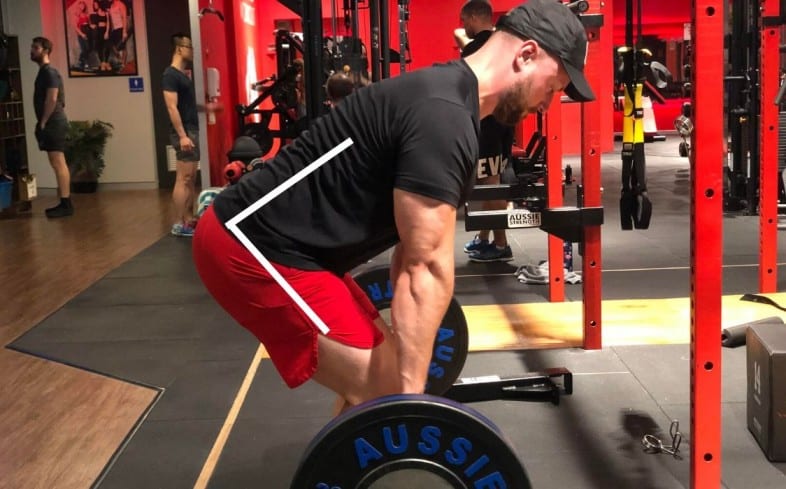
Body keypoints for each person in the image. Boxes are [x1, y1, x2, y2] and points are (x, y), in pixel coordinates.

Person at [192, 0, 593, 414]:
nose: (549, 103)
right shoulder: (444, 115)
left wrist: (408, 385)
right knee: (388, 393)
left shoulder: (450, 100)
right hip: (251, 245)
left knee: (383, 379)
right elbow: (425, 268)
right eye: (555, 85)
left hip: (295, 251)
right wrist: (412, 404)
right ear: (527, 55)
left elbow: (410, 256)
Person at [455, 0, 517, 263]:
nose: (463, 26)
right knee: (490, 181)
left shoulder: (474, 48)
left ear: (472, 17)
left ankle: (501, 245)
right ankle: (483, 238)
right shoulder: (504, 45)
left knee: (491, 184)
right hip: (503, 124)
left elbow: (469, 89)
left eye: (464, 20)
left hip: (488, 125)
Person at [31, 37, 73, 218]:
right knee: (56, 162)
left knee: (58, 162)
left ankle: (66, 203)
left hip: (53, 123)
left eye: (35, 47)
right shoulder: (44, 72)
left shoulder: (49, 73)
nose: (32, 50)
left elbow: (52, 98)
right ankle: (65, 202)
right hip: (51, 122)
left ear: (45, 50)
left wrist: (43, 121)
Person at [162, 33, 199, 237]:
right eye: (189, 47)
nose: (192, 51)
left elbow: (186, 105)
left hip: (191, 129)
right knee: (183, 178)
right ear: (179, 49)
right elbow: (171, 107)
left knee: (191, 178)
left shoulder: (183, 75)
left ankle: (189, 219)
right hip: (184, 132)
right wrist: (182, 135)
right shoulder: (170, 75)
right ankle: (178, 222)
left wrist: (206, 108)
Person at [89, 1, 111, 72]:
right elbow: (92, 25)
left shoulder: (106, 13)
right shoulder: (94, 14)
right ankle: (102, 63)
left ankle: (107, 62)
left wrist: (107, 32)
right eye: (94, 5)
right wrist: (91, 25)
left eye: (96, 4)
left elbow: (108, 23)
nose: (95, 6)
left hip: (105, 30)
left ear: (99, 4)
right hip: (98, 32)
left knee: (107, 47)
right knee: (100, 48)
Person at [108, 0, 128, 71]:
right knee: (112, 45)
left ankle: (123, 65)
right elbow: (112, 19)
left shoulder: (121, 4)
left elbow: (124, 18)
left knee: (122, 47)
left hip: (121, 28)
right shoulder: (111, 5)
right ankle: (120, 62)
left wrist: (124, 31)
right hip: (114, 29)